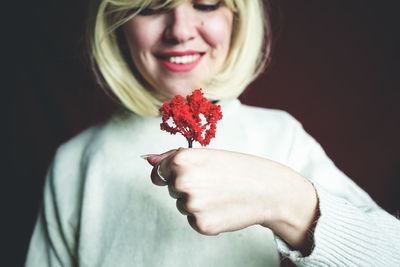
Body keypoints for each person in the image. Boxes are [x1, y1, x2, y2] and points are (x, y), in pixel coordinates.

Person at [25, 0, 400, 266]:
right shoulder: (76, 160)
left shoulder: (280, 135)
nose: (181, 31)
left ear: (237, 17)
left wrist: (287, 201)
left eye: (205, 4)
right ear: (120, 20)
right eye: (152, 6)